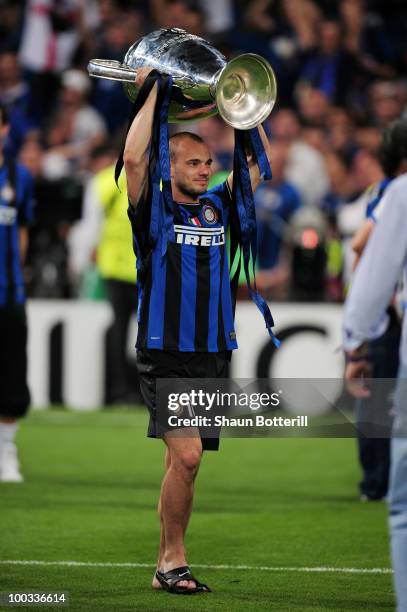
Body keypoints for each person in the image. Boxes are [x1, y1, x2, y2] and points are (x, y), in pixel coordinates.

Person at [122, 69, 275, 594]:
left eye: (209, 161)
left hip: (213, 353)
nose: (206, 168)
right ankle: (172, 561)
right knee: (186, 457)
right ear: (172, 165)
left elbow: (256, 163)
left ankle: (165, 559)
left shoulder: (218, 207)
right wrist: (152, 96)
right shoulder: (154, 210)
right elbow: (135, 159)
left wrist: (237, 102)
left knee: (181, 463)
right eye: (194, 161)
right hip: (165, 351)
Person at [343, 119, 407, 611]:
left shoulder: (397, 193)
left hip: (394, 331)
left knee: (404, 504)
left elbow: (367, 260)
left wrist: (356, 346)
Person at [0, 103, 34, 482]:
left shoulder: (18, 177)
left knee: (11, 377)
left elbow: (23, 228)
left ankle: (6, 450)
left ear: (5, 130)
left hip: (8, 294)